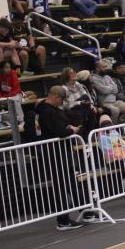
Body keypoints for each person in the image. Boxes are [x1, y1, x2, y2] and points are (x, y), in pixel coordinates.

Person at [34, 86, 87, 231]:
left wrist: (67, 127)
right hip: (56, 153)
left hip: (59, 152)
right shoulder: (47, 111)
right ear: (56, 97)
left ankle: (85, 212)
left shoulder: (48, 109)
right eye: (61, 100)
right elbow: (59, 131)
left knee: (70, 184)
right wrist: (71, 130)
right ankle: (63, 220)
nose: (62, 103)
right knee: (62, 187)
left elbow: (61, 125)